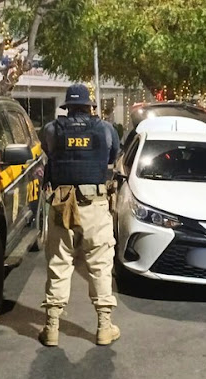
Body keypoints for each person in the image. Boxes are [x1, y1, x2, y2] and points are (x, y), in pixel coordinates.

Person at [38, 83, 121, 347]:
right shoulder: (105, 129)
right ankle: (104, 327)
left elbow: (48, 151)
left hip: (62, 204)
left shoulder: (51, 129)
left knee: (59, 263)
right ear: (89, 107)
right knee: (100, 264)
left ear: (67, 107)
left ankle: (51, 328)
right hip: (94, 205)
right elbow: (112, 155)